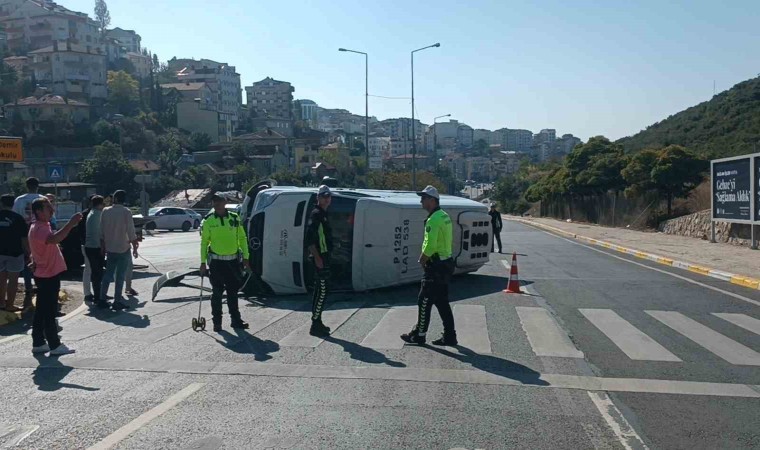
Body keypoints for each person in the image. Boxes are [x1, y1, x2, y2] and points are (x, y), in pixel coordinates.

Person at [401, 185, 457, 346]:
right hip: (446, 263)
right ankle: (450, 335)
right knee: (441, 302)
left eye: (424, 198)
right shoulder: (444, 215)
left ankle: (419, 335)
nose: (421, 201)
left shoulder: (433, 219)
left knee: (423, 300)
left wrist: (422, 260)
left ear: (432, 200)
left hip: (436, 265)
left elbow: (430, 244)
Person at [28, 197, 80, 355]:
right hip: (47, 275)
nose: (52, 210)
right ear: (38, 211)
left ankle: (38, 342)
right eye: (48, 207)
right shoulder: (40, 228)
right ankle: (54, 344)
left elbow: (41, 247)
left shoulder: (39, 226)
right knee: (49, 311)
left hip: (44, 273)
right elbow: (54, 239)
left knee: (42, 310)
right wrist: (70, 224)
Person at [200, 193, 250, 332]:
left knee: (232, 293)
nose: (217, 203)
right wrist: (203, 262)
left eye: (220, 200)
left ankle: (236, 320)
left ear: (225, 202)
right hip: (216, 263)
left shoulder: (234, 218)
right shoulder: (209, 220)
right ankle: (217, 322)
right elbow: (204, 243)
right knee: (217, 293)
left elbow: (242, 238)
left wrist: (246, 257)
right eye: (215, 201)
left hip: (233, 262)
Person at [100, 190, 139, 311]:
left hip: (110, 248)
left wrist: (103, 247)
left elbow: (101, 231)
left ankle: (102, 299)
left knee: (108, 274)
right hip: (123, 248)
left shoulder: (105, 211)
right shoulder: (126, 212)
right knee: (120, 276)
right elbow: (131, 230)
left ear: (114, 199)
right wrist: (135, 245)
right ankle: (117, 301)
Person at [304, 185, 333, 337]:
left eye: (328, 196)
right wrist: (317, 257)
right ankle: (315, 324)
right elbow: (309, 239)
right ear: (318, 198)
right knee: (322, 291)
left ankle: (318, 321)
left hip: (324, 256)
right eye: (323, 196)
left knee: (321, 290)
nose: (326, 199)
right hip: (319, 258)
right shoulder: (316, 214)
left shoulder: (323, 213)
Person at [13, 177, 44, 304]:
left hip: (24, 233)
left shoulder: (19, 200)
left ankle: (28, 287)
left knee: (27, 260)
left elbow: (15, 218)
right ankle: (40, 284)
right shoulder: (43, 199)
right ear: (38, 186)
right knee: (41, 259)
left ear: (27, 186)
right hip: (40, 232)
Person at [0, 194, 30, 312]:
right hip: (15, 253)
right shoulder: (18, 218)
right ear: (13, 204)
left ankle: (1, 303)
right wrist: (28, 253)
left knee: (1, 279)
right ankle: (10, 305)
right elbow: (24, 239)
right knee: (13, 280)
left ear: (1, 203)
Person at [84, 196, 107, 308]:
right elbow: (101, 234)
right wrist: (104, 248)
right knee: (98, 273)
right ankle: (99, 297)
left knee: (95, 272)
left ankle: (98, 295)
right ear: (100, 204)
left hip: (89, 247)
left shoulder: (91, 213)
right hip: (96, 247)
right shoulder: (99, 214)